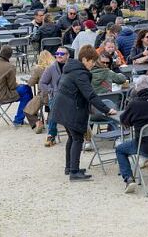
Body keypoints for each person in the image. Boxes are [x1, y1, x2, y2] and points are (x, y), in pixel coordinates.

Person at [50, 46, 118, 181]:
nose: (93, 64)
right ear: (85, 59)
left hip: (62, 107)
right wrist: (107, 109)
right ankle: (74, 172)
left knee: (72, 138)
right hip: (71, 109)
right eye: (92, 61)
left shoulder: (71, 69)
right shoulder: (80, 73)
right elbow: (90, 95)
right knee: (77, 139)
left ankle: (69, 167)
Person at [0, 45, 34, 127]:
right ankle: (22, 118)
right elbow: (12, 87)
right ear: (10, 56)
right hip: (3, 96)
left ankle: (27, 116)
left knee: (26, 89)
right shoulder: (10, 67)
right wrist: (19, 85)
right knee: (27, 90)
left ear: (0, 52)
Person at [40, 46, 70, 146]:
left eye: (62, 54)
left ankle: (84, 135)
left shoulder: (72, 66)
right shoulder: (51, 68)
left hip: (71, 96)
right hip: (56, 97)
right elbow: (42, 83)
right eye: (57, 54)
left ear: (67, 55)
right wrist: (51, 90)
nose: (59, 56)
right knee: (54, 109)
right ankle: (51, 135)